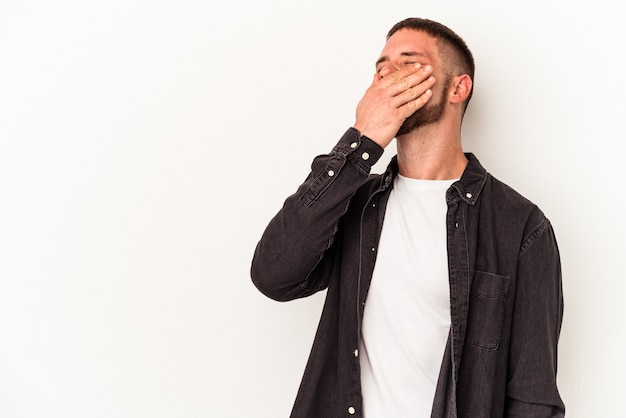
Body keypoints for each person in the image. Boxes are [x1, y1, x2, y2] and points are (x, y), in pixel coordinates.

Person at [250, 17, 565, 418]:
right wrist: (360, 144)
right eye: (381, 68)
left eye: (408, 63)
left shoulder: (521, 227)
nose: (387, 76)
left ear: (458, 87)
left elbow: (534, 395)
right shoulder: (352, 205)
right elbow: (273, 275)